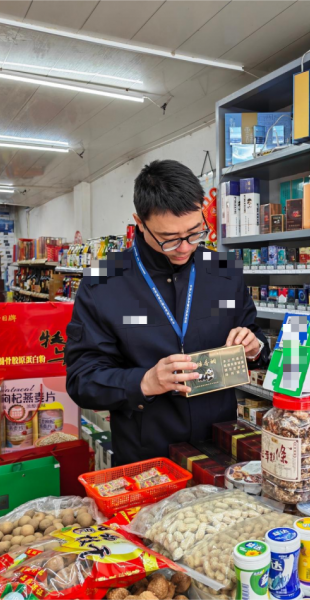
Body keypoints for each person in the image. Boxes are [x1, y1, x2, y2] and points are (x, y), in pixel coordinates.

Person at [66, 159, 269, 465]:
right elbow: (82, 379)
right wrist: (144, 381)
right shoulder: (103, 283)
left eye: (194, 232)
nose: (185, 247)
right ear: (140, 222)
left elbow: (255, 335)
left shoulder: (224, 271)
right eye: (169, 239)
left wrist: (255, 345)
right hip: (146, 456)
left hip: (221, 449)